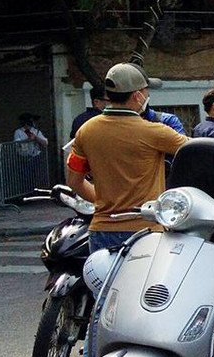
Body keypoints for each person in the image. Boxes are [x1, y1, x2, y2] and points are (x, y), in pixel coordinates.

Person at [66, 64, 188, 251]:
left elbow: (74, 181)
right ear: (137, 96)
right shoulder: (154, 132)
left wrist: (103, 203)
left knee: (106, 281)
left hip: (102, 230)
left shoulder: (86, 131)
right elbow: (196, 148)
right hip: (145, 230)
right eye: (146, 91)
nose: (147, 96)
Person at [13, 113, 51, 191]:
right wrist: (28, 139)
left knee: (37, 177)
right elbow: (17, 144)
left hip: (35, 157)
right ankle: (26, 193)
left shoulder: (36, 131)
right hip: (23, 158)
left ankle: (36, 192)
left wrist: (36, 138)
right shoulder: (18, 132)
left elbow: (45, 143)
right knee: (25, 178)